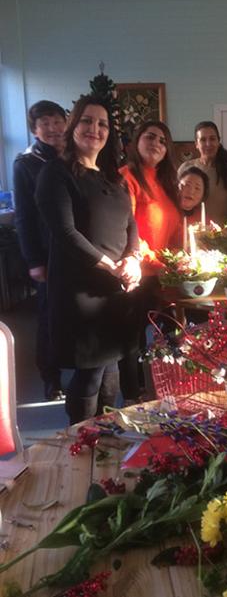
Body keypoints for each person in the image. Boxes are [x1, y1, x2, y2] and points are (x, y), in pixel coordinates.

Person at [36, 95, 142, 424]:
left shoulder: (114, 178)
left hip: (114, 292)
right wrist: (112, 267)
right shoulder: (56, 173)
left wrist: (134, 259)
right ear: (73, 125)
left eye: (102, 124)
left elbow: (131, 225)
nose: (94, 129)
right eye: (87, 120)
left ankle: (105, 441)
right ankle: (81, 441)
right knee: (90, 374)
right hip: (80, 291)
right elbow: (66, 233)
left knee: (111, 373)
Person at [13, 100, 67, 401]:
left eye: (56, 121)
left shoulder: (73, 156)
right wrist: (34, 260)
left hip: (75, 253)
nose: (52, 128)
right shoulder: (26, 164)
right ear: (35, 130)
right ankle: (51, 377)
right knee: (49, 316)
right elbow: (23, 216)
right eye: (44, 123)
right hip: (46, 254)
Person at [120, 120, 180, 268]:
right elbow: (125, 230)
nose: (156, 143)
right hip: (137, 271)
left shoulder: (167, 182)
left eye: (162, 141)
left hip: (166, 269)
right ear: (137, 141)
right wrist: (155, 263)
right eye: (150, 137)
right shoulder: (125, 177)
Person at [179, 121, 227, 227]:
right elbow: (174, 202)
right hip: (189, 235)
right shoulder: (186, 168)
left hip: (221, 238)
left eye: (212, 139)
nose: (208, 144)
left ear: (218, 141)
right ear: (196, 144)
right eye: (203, 140)